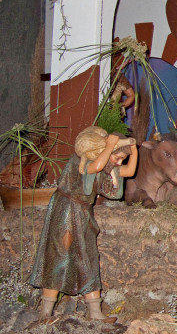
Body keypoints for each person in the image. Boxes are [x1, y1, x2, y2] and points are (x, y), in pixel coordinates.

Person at [29, 126, 138, 322]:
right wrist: (110, 146)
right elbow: (95, 167)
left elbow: (129, 171)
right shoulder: (81, 161)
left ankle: (94, 312)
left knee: (88, 258)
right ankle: (45, 312)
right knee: (59, 255)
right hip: (66, 210)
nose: (119, 162)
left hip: (83, 213)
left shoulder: (105, 166)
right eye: (117, 157)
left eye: (121, 158)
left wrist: (134, 150)